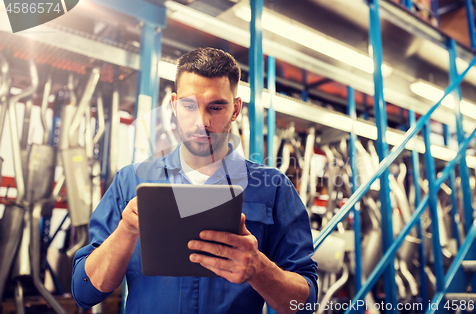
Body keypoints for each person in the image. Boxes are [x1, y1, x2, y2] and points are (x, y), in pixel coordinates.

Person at [72, 47, 318, 313]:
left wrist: (260, 270)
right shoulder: (130, 181)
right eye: (189, 106)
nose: (202, 121)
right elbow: (84, 291)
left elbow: (304, 305)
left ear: (235, 109)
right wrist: (125, 232)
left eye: (216, 106)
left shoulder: (273, 189)